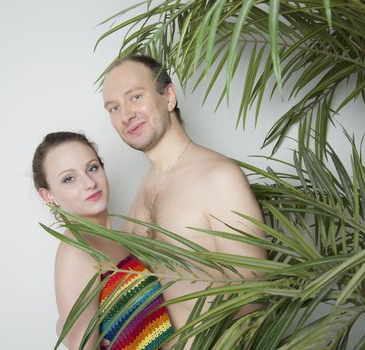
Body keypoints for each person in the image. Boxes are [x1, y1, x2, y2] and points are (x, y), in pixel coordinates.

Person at [102, 55, 267, 346]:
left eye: (135, 97)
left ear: (168, 96)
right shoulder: (144, 187)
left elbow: (251, 302)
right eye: (114, 108)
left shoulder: (218, 177)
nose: (125, 114)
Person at [32, 131, 173, 350]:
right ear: (48, 195)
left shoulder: (118, 238)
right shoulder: (76, 251)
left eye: (92, 168)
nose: (89, 183)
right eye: (69, 178)